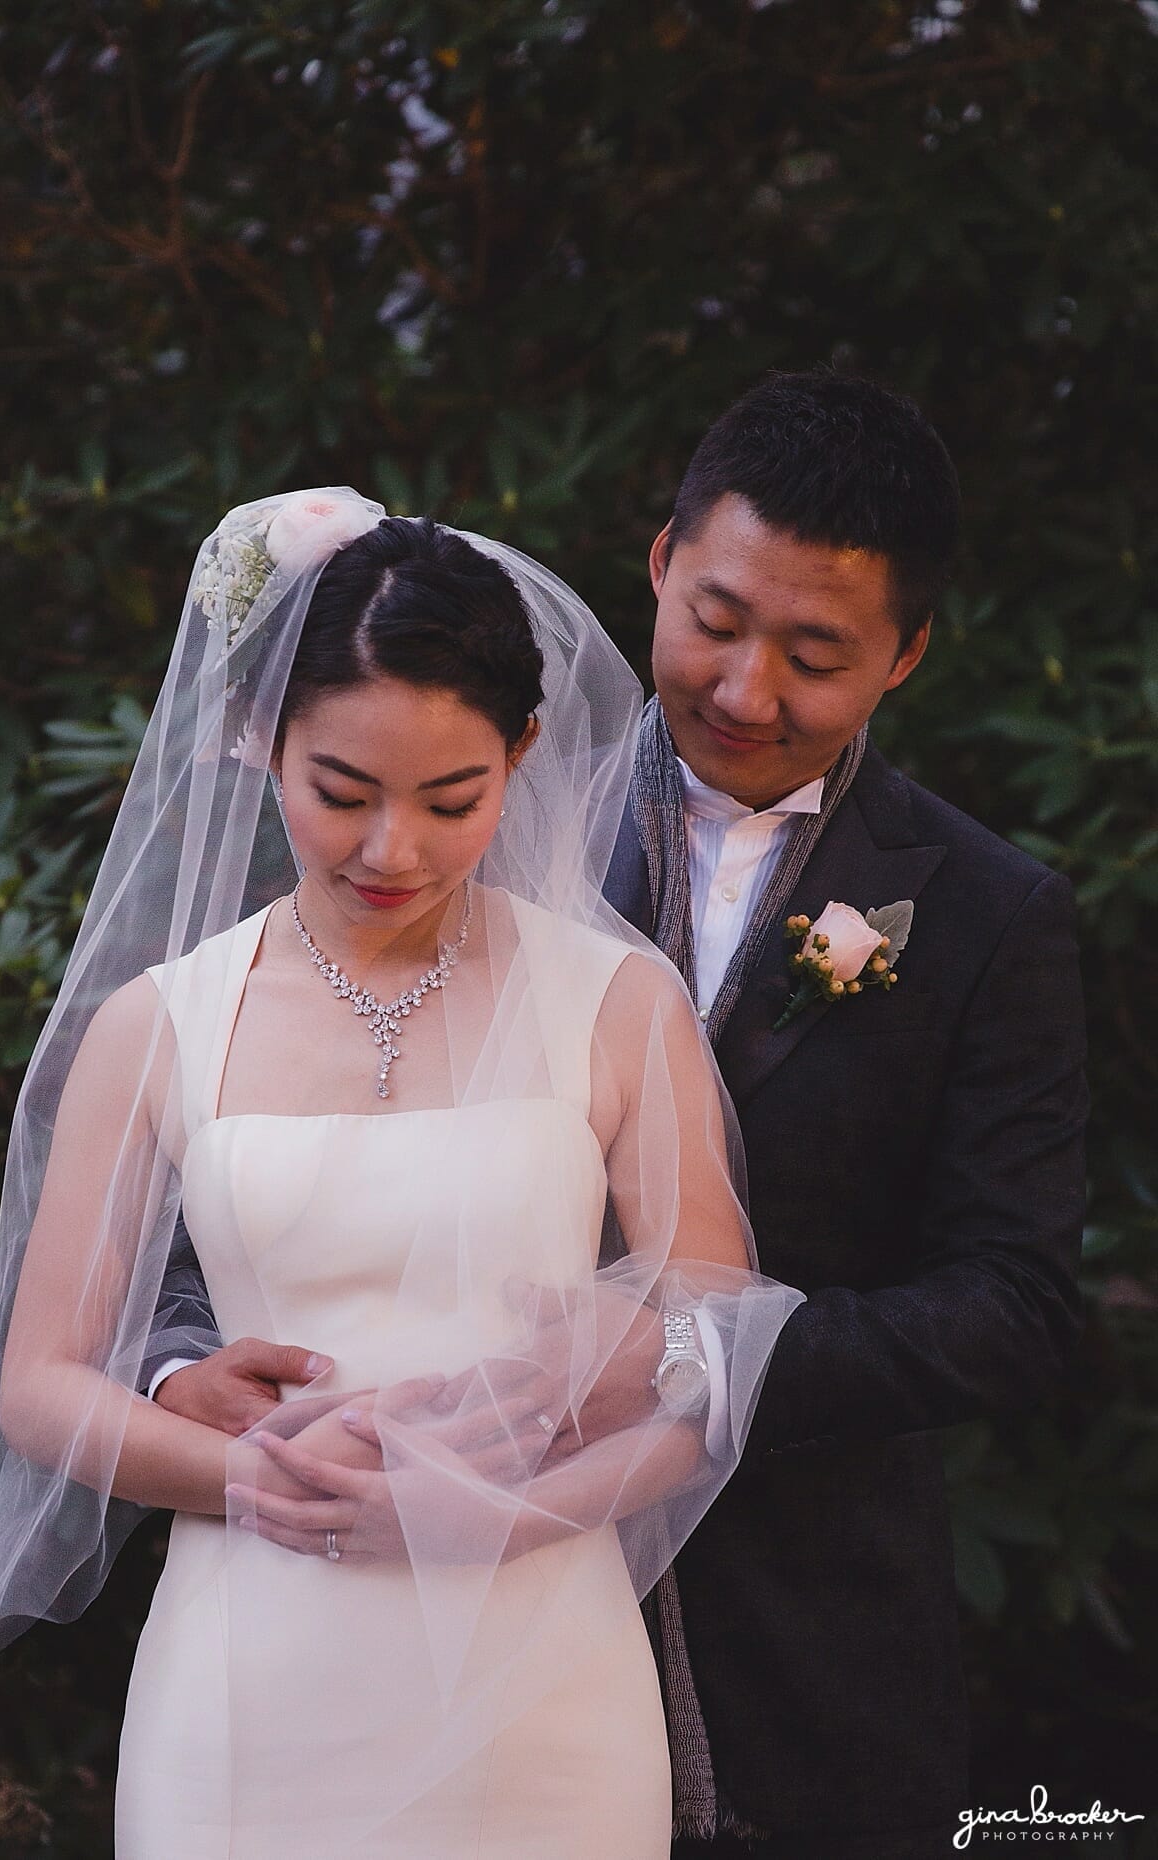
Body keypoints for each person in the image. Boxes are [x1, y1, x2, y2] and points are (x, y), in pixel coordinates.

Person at [149, 374, 1088, 1859]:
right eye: (717, 620)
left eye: (816, 652)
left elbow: (1020, 1303)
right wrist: (180, 1363)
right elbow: (269, 1143)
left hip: (800, 1647)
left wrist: (684, 1347)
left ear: (906, 654)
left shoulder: (987, 915)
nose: (746, 687)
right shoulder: (461, 813)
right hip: (402, 1621)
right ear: (659, 562)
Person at [0, 492, 804, 1859]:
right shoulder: (161, 1023)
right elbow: (43, 1383)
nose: (388, 850)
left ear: (524, 753)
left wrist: (520, 1513)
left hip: (542, 1670)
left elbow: (718, 1342)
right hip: (254, 1665)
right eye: (339, 792)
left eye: (452, 798)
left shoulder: (615, 1003)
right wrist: (239, 1477)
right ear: (260, 742)